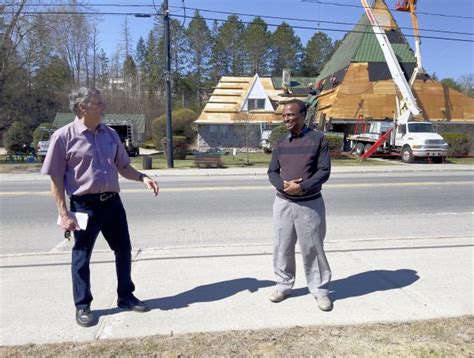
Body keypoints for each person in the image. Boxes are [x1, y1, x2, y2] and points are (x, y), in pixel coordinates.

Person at [41, 87, 159, 327]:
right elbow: (55, 179)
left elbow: (122, 166)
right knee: (82, 256)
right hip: (84, 206)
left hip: (113, 204)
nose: (104, 106)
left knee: (123, 250)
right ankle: (83, 305)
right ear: (83, 107)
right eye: (99, 103)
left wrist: (142, 177)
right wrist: (63, 213)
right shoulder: (63, 137)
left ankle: (125, 296)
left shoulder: (110, 135)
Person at [267, 99, 333, 311]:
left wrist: (302, 187)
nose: (286, 118)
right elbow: (272, 171)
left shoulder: (318, 139)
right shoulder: (281, 142)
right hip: (283, 203)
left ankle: (319, 289)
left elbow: (324, 171)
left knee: (312, 248)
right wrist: (283, 187)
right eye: (284, 115)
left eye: (290, 115)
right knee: (282, 246)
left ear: (303, 115)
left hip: (309, 204)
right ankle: (283, 284)